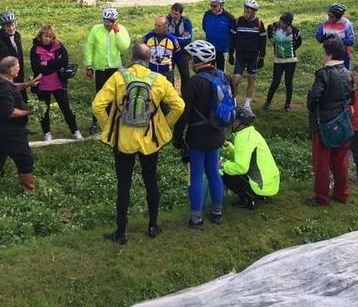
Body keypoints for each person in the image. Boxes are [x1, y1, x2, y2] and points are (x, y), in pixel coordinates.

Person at [92, 43, 185, 244]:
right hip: (150, 141)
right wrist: (164, 125)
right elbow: (179, 105)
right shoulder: (158, 80)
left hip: (122, 141)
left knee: (123, 186)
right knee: (151, 182)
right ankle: (153, 225)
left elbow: (97, 105)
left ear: (131, 57)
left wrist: (109, 126)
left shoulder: (119, 77)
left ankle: (121, 232)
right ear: (150, 57)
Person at [172, 40, 230, 228]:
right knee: (213, 172)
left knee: (196, 176)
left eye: (192, 58)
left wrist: (178, 138)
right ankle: (217, 212)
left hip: (197, 135)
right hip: (217, 133)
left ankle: (196, 219)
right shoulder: (223, 77)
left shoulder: (194, 83)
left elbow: (184, 113)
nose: (190, 62)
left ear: (199, 60)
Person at [307, 38, 355, 206]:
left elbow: (314, 98)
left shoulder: (323, 74)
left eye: (324, 52)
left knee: (321, 163)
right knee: (340, 161)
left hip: (324, 124)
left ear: (329, 54)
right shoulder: (348, 74)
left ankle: (321, 197)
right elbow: (352, 98)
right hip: (342, 121)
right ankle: (341, 193)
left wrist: (311, 104)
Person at [0, 56, 42, 191]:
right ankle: (28, 189)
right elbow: (9, 112)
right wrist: (30, 112)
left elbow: (13, 87)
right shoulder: (3, 88)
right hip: (6, 128)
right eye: (17, 66)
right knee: (24, 157)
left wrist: (29, 84)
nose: (19, 68)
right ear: (10, 70)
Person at [30, 25, 83, 142]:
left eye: (50, 37)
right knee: (44, 110)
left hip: (58, 83)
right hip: (43, 85)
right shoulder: (35, 49)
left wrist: (47, 63)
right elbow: (36, 67)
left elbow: (64, 61)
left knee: (66, 108)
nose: (48, 39)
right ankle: (47, 133)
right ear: (41, 36)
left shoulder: (59, 46)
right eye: (46, 36)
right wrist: (55, 64)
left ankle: (75, 131)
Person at [221, 106, 280, 209]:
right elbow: (245, 156)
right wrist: (229, 147)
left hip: (262, 186)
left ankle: (247, 200)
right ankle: (260, 196)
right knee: (233, 168)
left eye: (232, 119)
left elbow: (241, 167)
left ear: (238, 122)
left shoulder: (242, 139)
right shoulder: (251, 133)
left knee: (225, 173)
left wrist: (222, 165)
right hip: (270, 184)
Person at [84, 8, 131, 135]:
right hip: (100, 68)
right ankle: (95, 122)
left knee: (115, 95)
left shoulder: (121, 29)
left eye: (110, 21)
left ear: (115, 21)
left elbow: (124, 46)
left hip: (115, 67)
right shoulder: (96, 29)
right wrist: (89, 65)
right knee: (100, 95)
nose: (107, 24)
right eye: (105, 21)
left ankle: (113, 120)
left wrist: (117, 33)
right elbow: (89, 46)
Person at [229, 0, 266, 114]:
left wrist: (262, 56)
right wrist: (231, 53)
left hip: (253, 56)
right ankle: (234, 103)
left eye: (248, 12)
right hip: (240, 55)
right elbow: (233, 38)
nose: (245, 14)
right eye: (244, 11)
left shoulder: (259, 23)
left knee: (251, 79)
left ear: (254, 12)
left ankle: (247, 104)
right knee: (236, 80)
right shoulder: (237, 21)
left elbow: (263, 41)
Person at [263, 12, 302, 111]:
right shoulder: (274, 27)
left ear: (289, 23)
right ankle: (268, 102)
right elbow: (269, 32)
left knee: (288, 82)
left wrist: (290, 50)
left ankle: (287, 105)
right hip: (278, 60)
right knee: (275, 81)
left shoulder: (295, 31)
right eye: (281, 20)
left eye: (284, 22)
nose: (281, 23)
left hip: (290, 60)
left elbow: (298, 42)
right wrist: (275, 45)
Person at [0, 11, 27, 101]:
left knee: (22, 102)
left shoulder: (17, 36)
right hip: (5, 78)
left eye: (13, 25)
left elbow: (19, 56)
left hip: (18, 75)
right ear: (3, 27)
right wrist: (1, 73)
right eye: (8, 26)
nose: (11, 28)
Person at [315, 3, 355, 69]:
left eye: (331, 17)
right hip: (328, 53)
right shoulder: (325, 23)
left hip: (342, 54)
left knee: (342, 75)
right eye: (328, 15)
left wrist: (337, 39)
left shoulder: (346, 24)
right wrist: (325, 38)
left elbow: (351, 40)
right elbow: (318, 37)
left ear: (338, 17)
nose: (329, 18)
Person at [143, 15, 181, 84]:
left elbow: (177, 55)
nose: (156, 27)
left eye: (159, 26)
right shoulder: (148, 37)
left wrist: (170, 65)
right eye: (155, 25)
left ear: (166, 27)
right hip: (151, 71)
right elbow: (142, 50)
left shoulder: (172, 40)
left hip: (167, 72)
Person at [202, 0, 234, 72]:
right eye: (211, 5)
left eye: (215, 6)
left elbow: (232, 34)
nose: (212, 8)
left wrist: (231, 51)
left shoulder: (229, 17)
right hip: (210, 48)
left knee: (221, 72)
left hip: (222, 49)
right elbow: (204, 28)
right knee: (209, 71)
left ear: (221, 5)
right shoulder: (207, 14)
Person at [167, 3, 193, 89]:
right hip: (169, 52)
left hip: (182, 52)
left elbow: (188, 40)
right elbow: (162, 34)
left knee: (185, 75)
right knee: (169, 76)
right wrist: (179, 38)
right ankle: (171, 96)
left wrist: (172, 38)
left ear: (181, 14)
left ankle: (186, 96)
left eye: (176, 13)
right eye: (172, 12)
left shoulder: (186, 22)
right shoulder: (166, 20)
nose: (173, 15)